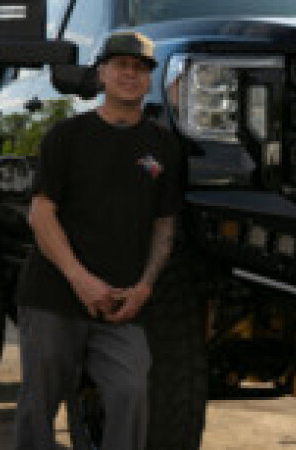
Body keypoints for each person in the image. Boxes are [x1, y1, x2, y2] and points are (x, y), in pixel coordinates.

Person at [13, 31, 182, 450]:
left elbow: (164, 226)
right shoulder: (66, 136)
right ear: (101, 73)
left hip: (122, 304)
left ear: (149, 79)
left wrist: (144, 287)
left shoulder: (164, 146)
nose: (130, 74)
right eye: (121, 65)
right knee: (39, 403)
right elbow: (41, 215)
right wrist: (80, 279)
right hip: (54, 296)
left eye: (140, 68)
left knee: (130, 390)